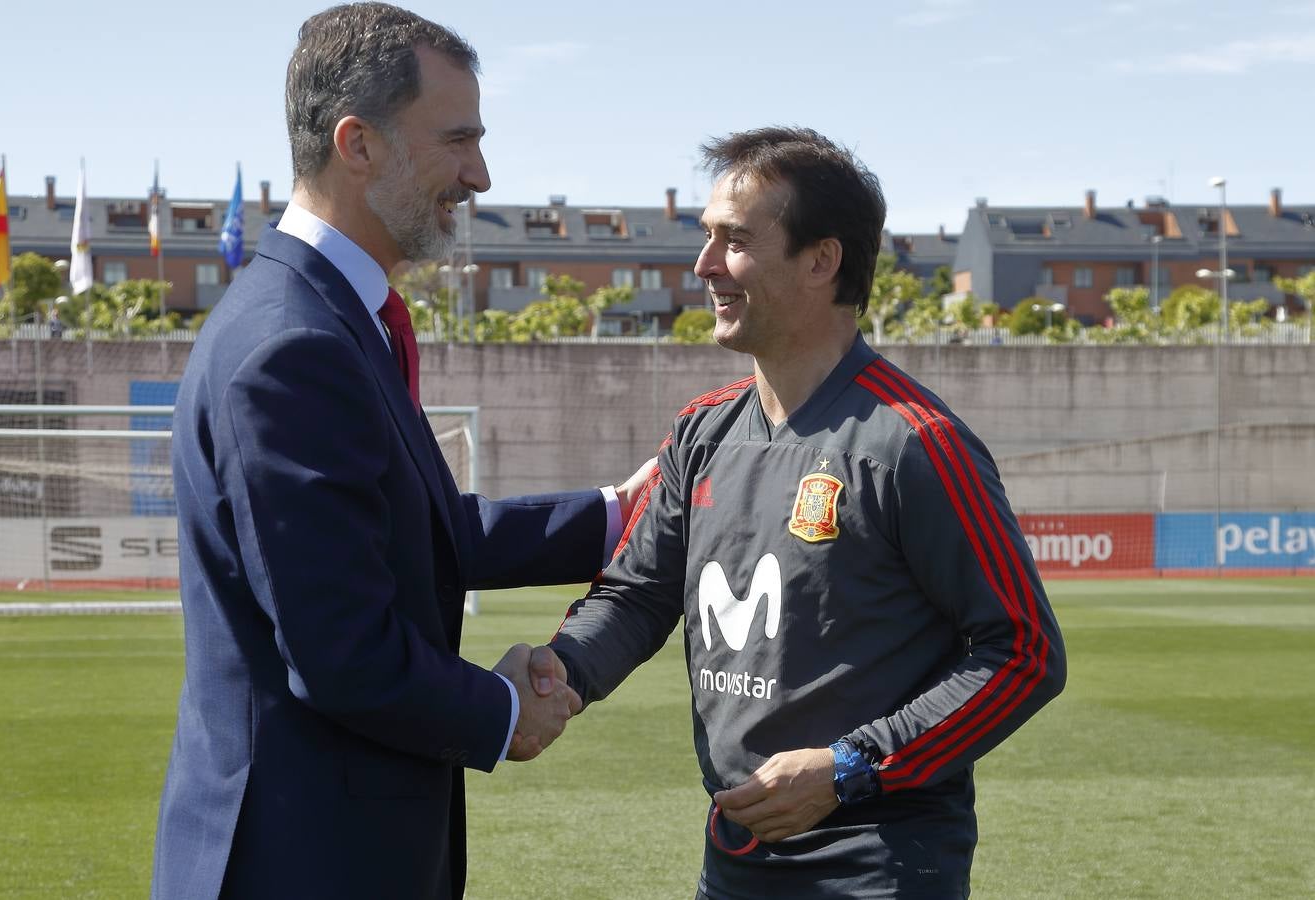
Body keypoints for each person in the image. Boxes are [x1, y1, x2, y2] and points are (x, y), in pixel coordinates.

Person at [150, 5, 652, 898]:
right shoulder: (291, 346)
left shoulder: (331, 317)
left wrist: (616, 515)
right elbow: (345, 651)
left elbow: (412, 526)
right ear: (358, 145)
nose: (481, 174)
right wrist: (505, 713)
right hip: (300, 861)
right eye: (457, 140)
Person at [547, 127, 1067, 898]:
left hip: (878, 864)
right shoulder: (703, 430)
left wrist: (853, 764)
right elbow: (640, 594)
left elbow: (1023, 653)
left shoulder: (914, 444)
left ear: (821, 261)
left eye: (735, 241)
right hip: (736, 856)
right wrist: (561, 674)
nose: (705, 266)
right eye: (706, 238)